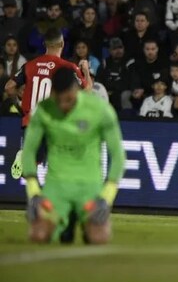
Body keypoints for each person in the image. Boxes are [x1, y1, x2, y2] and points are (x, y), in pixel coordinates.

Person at [20, 67, 124, 244]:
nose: (63, 105)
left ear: (77, 90)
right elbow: (28, 151)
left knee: (99, 238)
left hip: (89, 185)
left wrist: (106, 198)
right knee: (38, 236)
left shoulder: (99, 109)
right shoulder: (43, 110)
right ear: (52, 93)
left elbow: (118, 156)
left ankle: (82, 221)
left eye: (68, 99)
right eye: (58, 100)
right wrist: (34, 194)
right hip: (56, 186)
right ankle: (65, 220)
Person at [5, 28, 91, 178]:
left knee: (33, 163)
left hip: (31, 119)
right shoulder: (67, 67)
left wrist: (20, 101)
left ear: (45, 44)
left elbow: (9, 87)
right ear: (62, 44)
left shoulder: (30, 65)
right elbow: (87, 91)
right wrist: (86, 71)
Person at [127, 39, 169, 110]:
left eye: (153, 49)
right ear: (144, 50)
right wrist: (136, 89)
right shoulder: (138, 64)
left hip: (156, 92)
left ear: (157, 49)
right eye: (147, 49)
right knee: (127, 95)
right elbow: (134, 79)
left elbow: (163, 83)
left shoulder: (163, 64)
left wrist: (145, 89)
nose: (150, 52)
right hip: (141, 93)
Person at [96, 38, 131, 111]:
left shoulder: (129, 62)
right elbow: (99, 81)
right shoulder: (104, 63)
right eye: (114, 48)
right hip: (106, 92)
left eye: (120, 48)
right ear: (109, 50)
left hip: (122, 92)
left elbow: (128, 82)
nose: (118, 51)